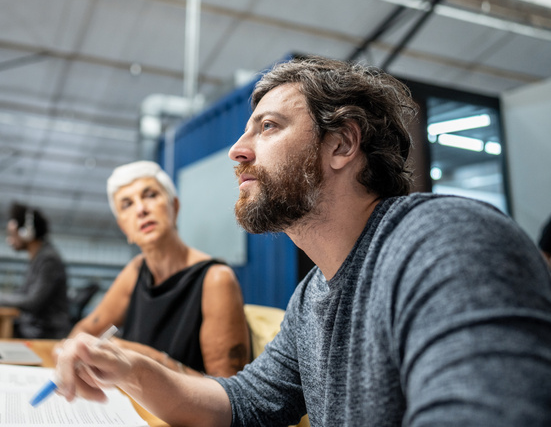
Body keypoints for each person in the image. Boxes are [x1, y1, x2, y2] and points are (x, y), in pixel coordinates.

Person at [56, 56, 551, 426]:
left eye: (268, 127)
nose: (237, 151)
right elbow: (244, 402)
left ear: (341, 144)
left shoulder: (446, 242)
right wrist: (132, 370)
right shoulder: (313, 295)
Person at [63, 160, 250, 377]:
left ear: (174, 206)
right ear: (124, 227)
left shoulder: (216, 279)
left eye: (150, 195)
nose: (141, 210)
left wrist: (142, 357)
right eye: (127, 204)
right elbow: (85, 330)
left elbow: (229, 393)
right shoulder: (135, 271)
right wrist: (70, 352)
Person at [1, 202, 71, 339]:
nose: (9, 240)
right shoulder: (39, 257)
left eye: (12, 234)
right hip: (32, 328)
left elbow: (33, 302)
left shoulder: (48, 260)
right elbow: (22, 293)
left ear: (26, 232)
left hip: (44, 333)